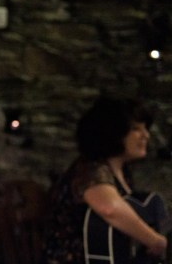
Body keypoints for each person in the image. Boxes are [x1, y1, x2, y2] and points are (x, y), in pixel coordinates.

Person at [44, 95, 168, 263]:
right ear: (114, 132)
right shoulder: (90, 169)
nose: (145, 135)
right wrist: (155, 240)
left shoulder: (122, 170)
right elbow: (110, 209)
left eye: (145, 128)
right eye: (136, 129)